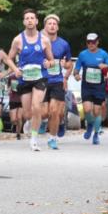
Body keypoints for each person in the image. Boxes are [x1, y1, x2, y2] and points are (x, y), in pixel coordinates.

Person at [7, 9, 55, 152]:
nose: (29, 20)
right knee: (28, 113)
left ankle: (34, 139)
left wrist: (49, 63)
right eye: (26, 18)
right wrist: (15, 69)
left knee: (36, 106)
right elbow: (9, 58)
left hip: (40, 77)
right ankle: (32, 121)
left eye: (32, 18)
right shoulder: (18, 40)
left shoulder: (44, 40)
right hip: (25, 79)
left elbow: (52, 60)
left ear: (36, 21)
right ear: (24, 22)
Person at [73, 32, 108, 146]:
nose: (91, 44)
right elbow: (76, 69)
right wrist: (76, 75)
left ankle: (96, 134)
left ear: (97, 42)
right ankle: (90, 125)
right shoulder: (82, 54)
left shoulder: (103, 54)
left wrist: (106, 66)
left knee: (97, 111)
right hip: (86, 86)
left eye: (93, 42)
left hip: (99, 87)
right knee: (87, 110)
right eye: (88, 42)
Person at [41, 14, 73, 150]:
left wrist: (65, 73)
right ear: (45, 26)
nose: (52, 26)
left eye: (54, 24)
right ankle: (42, 121)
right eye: (49, 23)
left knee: (54, 111)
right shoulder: (39, 42)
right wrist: (44, 63)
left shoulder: (64, 44)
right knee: (43, 113)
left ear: (57, 27)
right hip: (41, 80)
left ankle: (52, 139)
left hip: (57, 80)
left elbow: (69, 63)